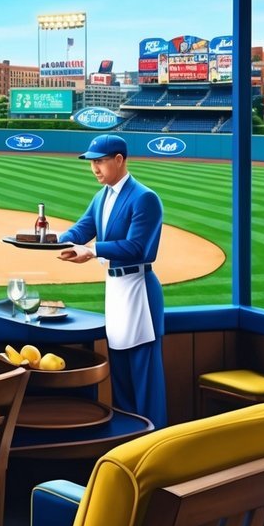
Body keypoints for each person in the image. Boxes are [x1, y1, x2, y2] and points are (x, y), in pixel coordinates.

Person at [57, 134, 167, 427]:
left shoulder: (144, 197)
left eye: (100, 161)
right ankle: (128, 440)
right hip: (115, 289)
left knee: (145, 378)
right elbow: (83, 228)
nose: (94, 168)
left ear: (119, 160)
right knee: (120, 375)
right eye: (92, 161)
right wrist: (53, 241)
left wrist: (92, 251)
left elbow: (137, 248)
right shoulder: (101, 196)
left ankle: (154, 443)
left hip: (139, 289)